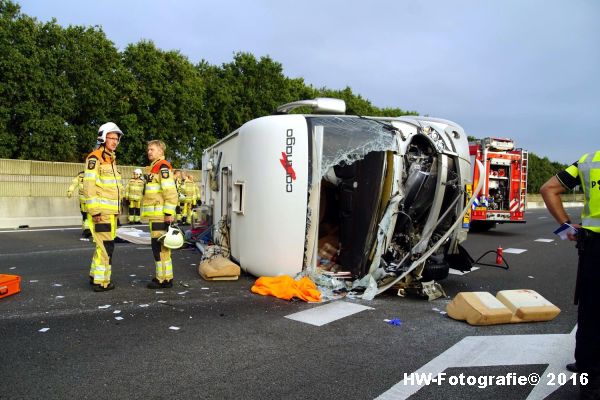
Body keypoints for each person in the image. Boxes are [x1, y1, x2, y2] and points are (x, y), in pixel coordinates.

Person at [541, 150, 600, 399]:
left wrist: (566, 226)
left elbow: (548, 189)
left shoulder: (590, 161)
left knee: (592, 315)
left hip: (595, 247)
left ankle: (590, 381)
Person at [83, 122, 124, 292]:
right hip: (102, 211)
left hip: (110, 212)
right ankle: (102, 282)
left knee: (103, 245)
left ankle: (95, 276)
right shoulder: (95, 157)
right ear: (103, 137)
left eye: (117, 139)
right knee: (105, 246)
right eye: (111, 137)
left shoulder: (110, 159)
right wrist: (95, 211)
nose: (115, 141)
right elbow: (89, 186)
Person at [141, 140, 178, 289]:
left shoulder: (162, 167)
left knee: (160, 248)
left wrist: (168, 213)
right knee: (160, 247)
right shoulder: (153, 167)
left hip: (160, 214)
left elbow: (170, 191)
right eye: (148, 149)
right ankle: (165, 277)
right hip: (156, 214)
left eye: (152, 149)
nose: (149, 152)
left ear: (161, 152)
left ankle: (162, 279)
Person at [67, 171, 91, 239]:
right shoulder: (94, 173)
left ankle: (87, 230)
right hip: (91, 200)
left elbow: (73, 184)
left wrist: (70, 191)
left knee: (85, 215)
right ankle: (88, 230)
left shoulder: (81, 175)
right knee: (88, 215)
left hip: (85, 200)